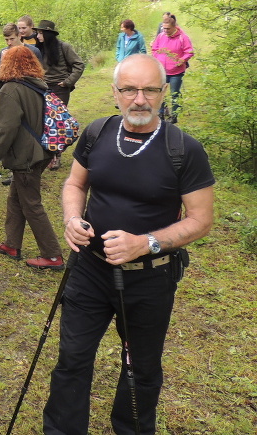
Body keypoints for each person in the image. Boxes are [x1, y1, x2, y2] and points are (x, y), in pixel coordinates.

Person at [43, 54, 214, 435]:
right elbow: (74, 184)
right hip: (89, 270)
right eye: (129, 89)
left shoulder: (184, 149)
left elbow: (201, 219)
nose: (140, 99)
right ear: (115, 92)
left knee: (141, 367)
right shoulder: (97, 133)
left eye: (150, 89)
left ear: (163, 92)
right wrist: (72, 219)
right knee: (72, 359)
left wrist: (146, 243)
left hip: (149, 277)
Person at [0, 46, 65, 271]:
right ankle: (12, 245)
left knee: (31, 205)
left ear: (8, 65)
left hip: (26, 156)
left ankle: (52, 255)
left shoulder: (11, 89)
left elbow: (6, 128)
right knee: (16, 200)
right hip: (40, 152)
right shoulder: (37, 85)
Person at [34, 20, 86, 170]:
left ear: (48, 34)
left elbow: (79, 65)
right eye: (37, 33)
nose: (38, 36)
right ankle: (46, 154)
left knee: (58, 123)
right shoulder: (39, 49)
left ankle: (56, 157)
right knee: (44, 123)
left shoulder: (64, 47)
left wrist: (67, 82)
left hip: (60, 89)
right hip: (43, 88)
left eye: (41, 33)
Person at [151, 13, 194, 123]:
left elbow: (189, 52)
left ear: (174, 27)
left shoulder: (182, 37)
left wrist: (181, 61)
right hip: (162, 70)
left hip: (176, 71)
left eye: (168, 29)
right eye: (164, 28)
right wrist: (157, 58)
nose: (165, 31)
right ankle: (160, 113)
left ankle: (174, 116)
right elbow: (154, 49)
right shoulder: (161, 36)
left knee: (174, 93)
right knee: (160, 92)